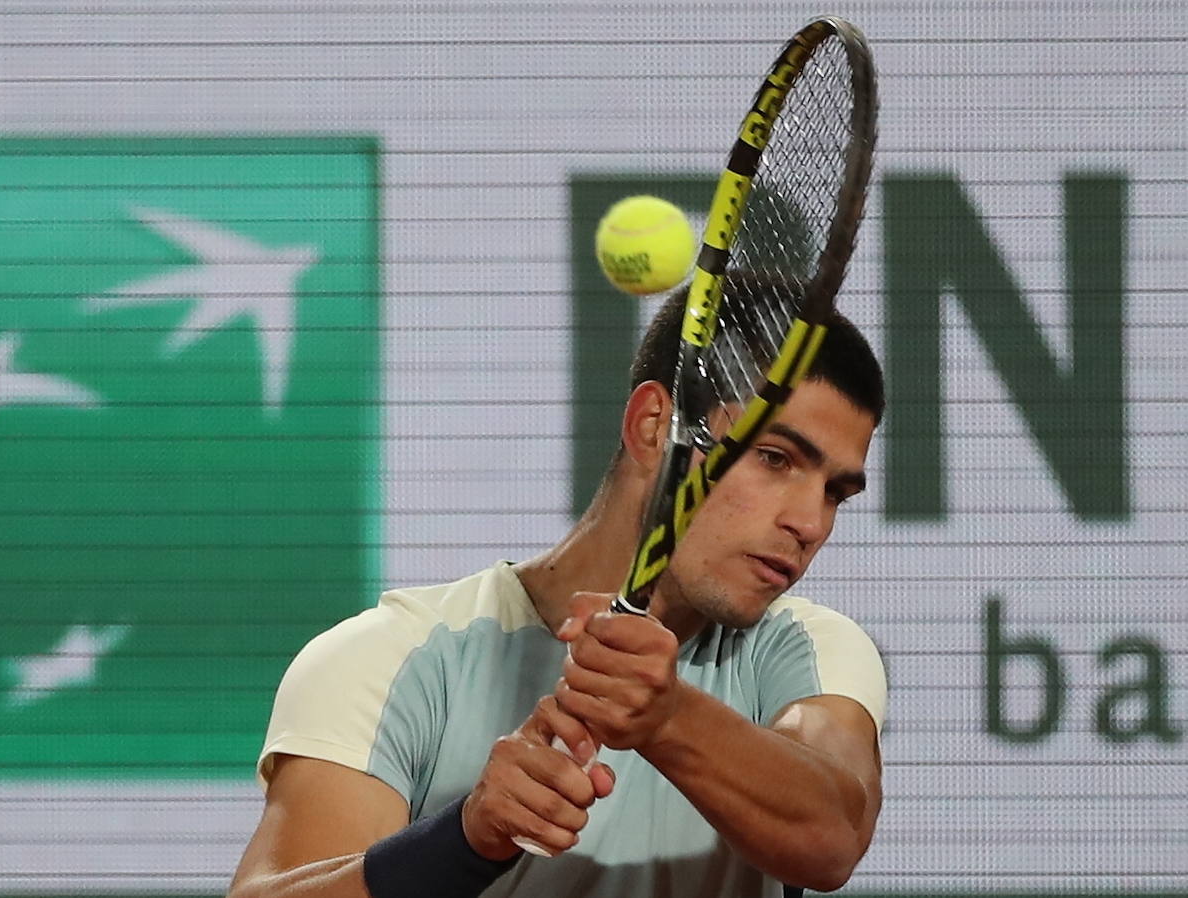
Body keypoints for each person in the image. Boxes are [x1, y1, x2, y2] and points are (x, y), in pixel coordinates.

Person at [227, 278, 888, 898]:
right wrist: (463, 838)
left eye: (835, 492)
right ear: (655, 426)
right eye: (774, 459)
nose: (809, 522)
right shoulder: (393, 656)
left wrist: (666, 715)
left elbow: (831, 836)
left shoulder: (807, 649)